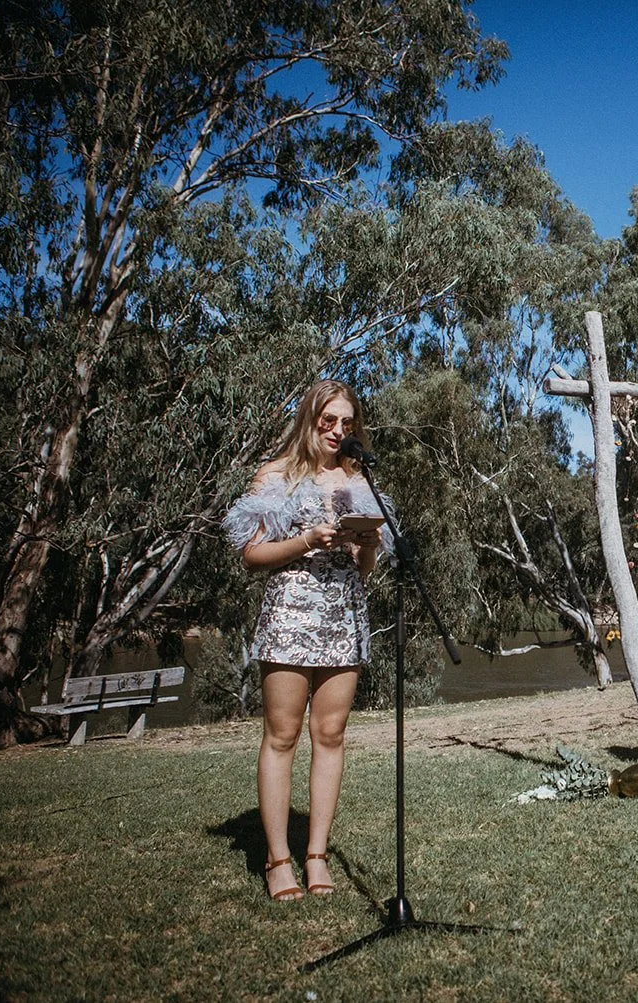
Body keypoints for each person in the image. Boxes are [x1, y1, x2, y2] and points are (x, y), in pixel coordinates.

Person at [222, 380, 390, 901]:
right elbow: (251, 556)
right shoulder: (275, 475)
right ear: (310, 419)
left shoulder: (357, 480)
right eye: (329, 420)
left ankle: (316, 855)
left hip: (343, 615)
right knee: (282, 735)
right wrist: (305, 540)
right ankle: (277, 860)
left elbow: (364, 568)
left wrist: (369, 543)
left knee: (331, 733)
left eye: (347, 423)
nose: (338, 431)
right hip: (290, 616)